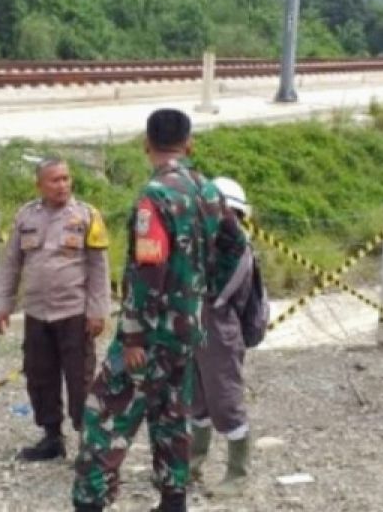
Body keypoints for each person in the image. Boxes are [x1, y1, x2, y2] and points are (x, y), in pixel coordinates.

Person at [72, 108, 241, 512]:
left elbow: (150, 268)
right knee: (170, 414)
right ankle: (173, 499)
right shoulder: (208, 190)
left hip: (149, 335)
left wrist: (132, 336)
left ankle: (91, 502)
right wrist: (204, 293)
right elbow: (236, 246)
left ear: (147, 144)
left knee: (104, 419)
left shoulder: (155, 197)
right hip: (186, 333)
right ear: (189, 144)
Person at [0, 157, 111, 461]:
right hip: (37, 313)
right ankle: (51, 437)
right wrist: (2, 304)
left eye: (65, 179)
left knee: (80, 379)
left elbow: (99, 267)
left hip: (73, 313)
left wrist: (98, 311)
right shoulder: (26, 217)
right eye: (54, 180)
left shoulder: (87, 216)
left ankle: (88, 440)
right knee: (39, 375)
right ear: (40, 185)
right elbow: (11, 264)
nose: (62, 185)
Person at [189, 175, 254, 497]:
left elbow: (220, 294)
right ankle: (193, 461)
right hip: (197, 322)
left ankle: (237, 473)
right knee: (196, 398)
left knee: (225, 399)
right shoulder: (206, 242)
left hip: (218, 325)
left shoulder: (238, 247)